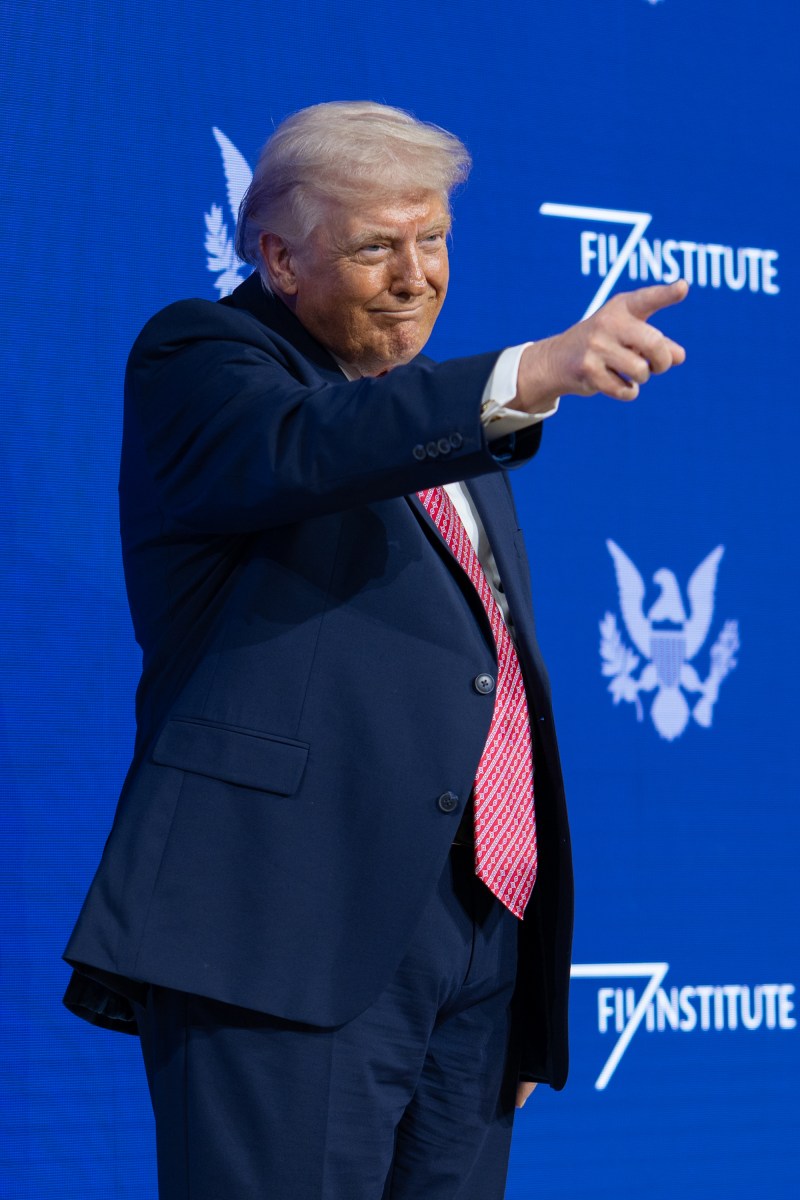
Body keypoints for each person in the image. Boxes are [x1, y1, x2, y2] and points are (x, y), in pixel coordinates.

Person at [63, 101, 687, 1199]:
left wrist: (508, 978)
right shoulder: (204, 362)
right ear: (278, 256)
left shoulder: (446, 426)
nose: (415, 275)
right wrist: (524, 375)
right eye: (374, 247)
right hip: (284, 930)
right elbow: (310, 448)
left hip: (474, 935)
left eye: (433, 239)